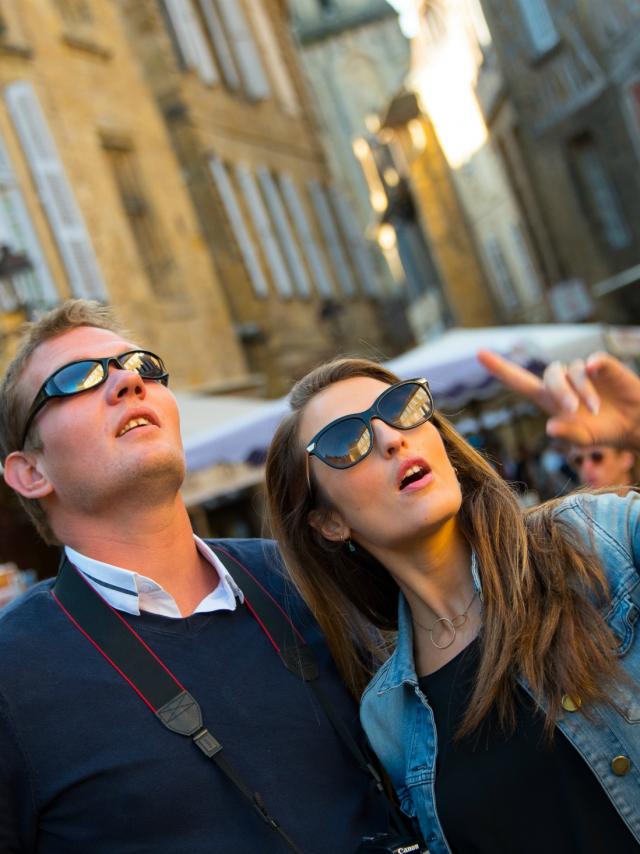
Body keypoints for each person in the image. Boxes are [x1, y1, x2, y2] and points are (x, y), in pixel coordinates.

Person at [0, 300, 391, 854]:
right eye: (78, 378)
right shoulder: (11, 676)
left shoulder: (305, 575)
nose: (128, 382)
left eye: (143, 365)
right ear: (31, 472)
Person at [265, 351, 640, 853]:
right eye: (346, 442)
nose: (392, 438)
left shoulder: (593, 541)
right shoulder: (389, 715)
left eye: (400, 408)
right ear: (330, 523)